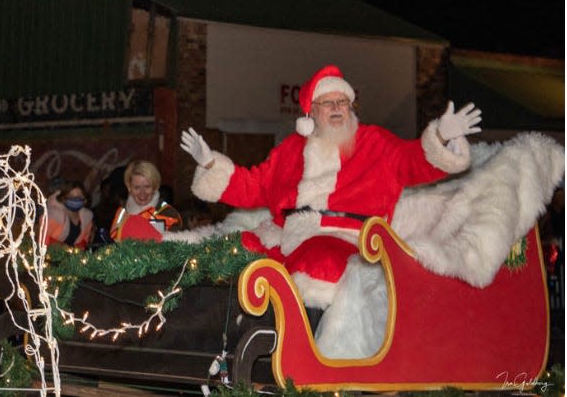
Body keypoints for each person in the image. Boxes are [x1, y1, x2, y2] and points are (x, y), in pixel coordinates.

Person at [180, 64, 481, 357]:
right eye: (328, 103)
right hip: (286, 236)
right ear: (310, 112)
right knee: (235, 251)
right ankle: (216, 352)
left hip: (346, 240)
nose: (337, 108)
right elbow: (253, 185)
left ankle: (301, 360)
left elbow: (414, 161)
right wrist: (210, 165)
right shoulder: (290, 150)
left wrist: (441, 136)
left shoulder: (375, 143)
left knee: (318, 262)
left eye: (343, 102)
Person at [110, 160, 184, 241]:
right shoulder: (122, 213)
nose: (142, 193)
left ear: (155, 187)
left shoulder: (168, 214)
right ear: (129, 188)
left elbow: (177, 249)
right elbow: (115, 243)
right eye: (137, 187)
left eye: (147, 187)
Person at [45, 180, 94, 249]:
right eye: (71, 196)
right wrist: (64, 248)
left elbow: (84, 240)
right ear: (63, 198)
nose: (75, 199)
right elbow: (43, 237)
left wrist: (79, 248)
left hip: (72, 258)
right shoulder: (54, 215)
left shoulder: (87, 218)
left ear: (85, 200)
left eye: (79, 197)